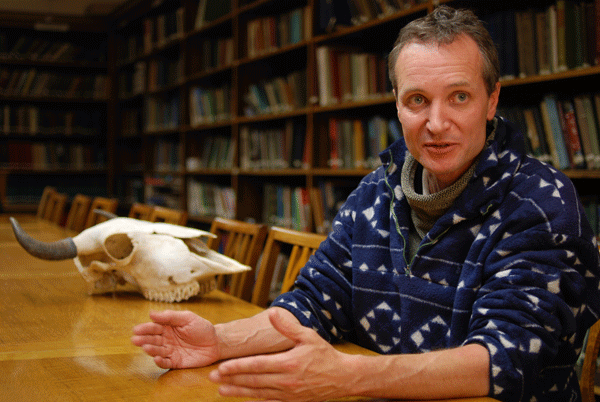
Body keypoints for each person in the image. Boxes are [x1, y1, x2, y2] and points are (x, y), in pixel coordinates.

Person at [131, 6, 600, 402]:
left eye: (459, 97)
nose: (437, 123)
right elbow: (317, 302)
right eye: (418, 100)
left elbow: (504, 359)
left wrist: (349, 377)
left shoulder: (542, 204)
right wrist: (219, 341)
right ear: (396, 104)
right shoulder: (377, 190)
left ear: (492, 99)